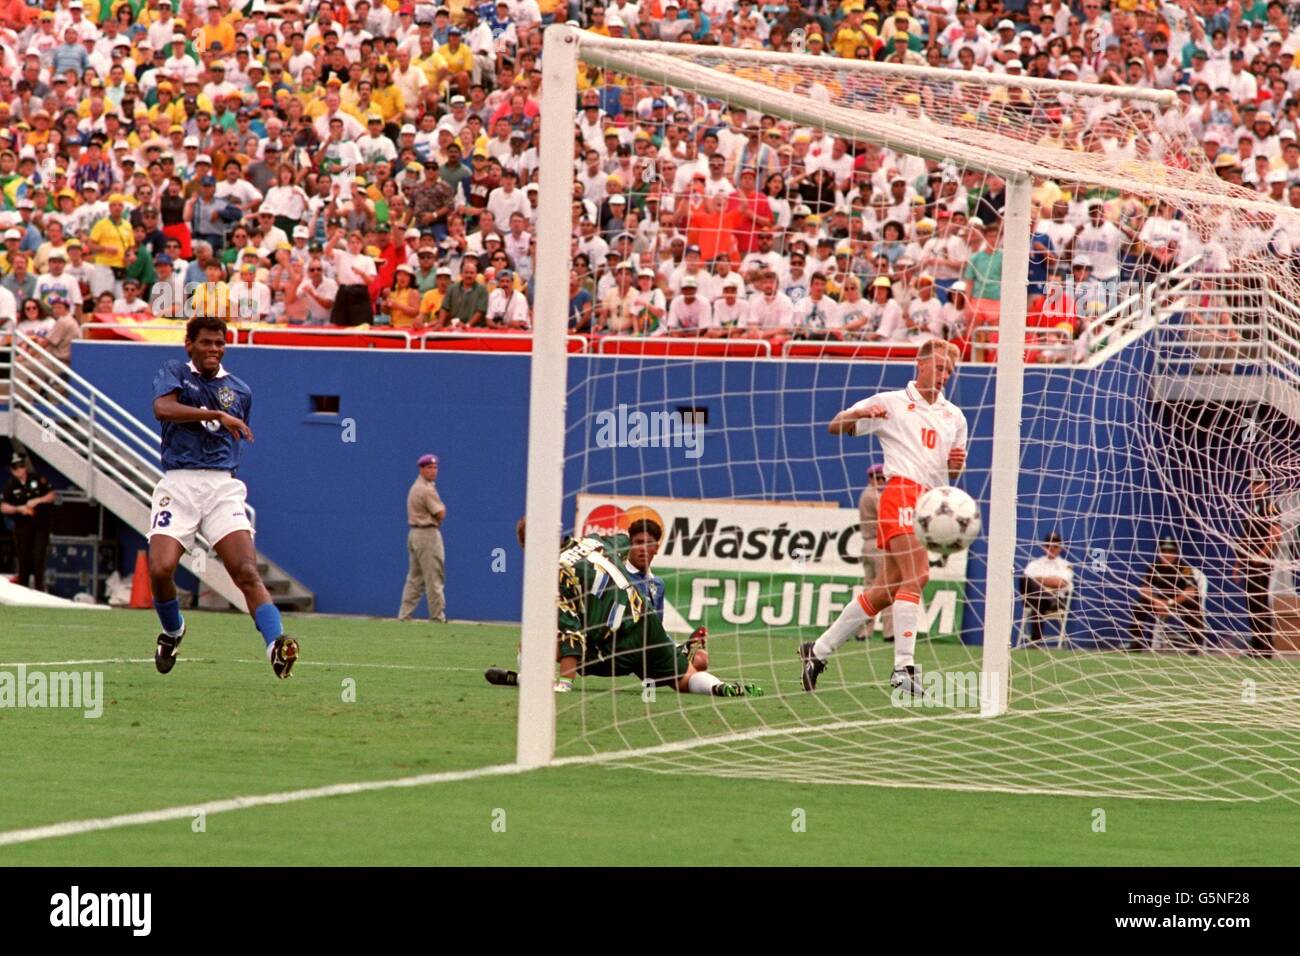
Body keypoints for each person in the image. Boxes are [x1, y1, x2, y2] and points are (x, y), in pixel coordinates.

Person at [800, 339, 967, 695]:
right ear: (920, 365)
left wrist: (956, 467)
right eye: (939, 367)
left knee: (886, 590)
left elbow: (951, 472)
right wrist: (859, 416)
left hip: (933, 503)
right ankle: (903, 668)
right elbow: (835, 425)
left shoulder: (955, 417)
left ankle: (817, 651)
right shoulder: (890, 402)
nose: (944, 375)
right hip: (901, 492)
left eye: (949, 370)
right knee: (918, 575)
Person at [147, 316, 298, 679]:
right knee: (160, 568)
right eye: (206, 343)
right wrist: (215, 413)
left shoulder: (241, 390)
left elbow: (231, 439)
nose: (213, 349)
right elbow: (162, 410)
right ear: (190, 345)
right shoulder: (174, 372)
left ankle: (275, 645)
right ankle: (173, 631)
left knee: (245, 570)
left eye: (219, 343)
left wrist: (220, 419)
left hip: (221, 486)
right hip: (178, 483)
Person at [485, 518, 761, 696]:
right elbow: (624, 539)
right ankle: (719, 687)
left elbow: (571, 634)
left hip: (613, 643)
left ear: (527, 546)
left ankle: (530, 680)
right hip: (646, 623)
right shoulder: (594, 540)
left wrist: (565, 683)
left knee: (530, 645)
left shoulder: (556, 571)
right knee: (686, 677)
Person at [1128, 538, 1205, 653]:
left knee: (1193, 607)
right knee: (1140, 604)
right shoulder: (1154, 567)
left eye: (1171, 552)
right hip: (1159, 602)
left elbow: (1190, 592)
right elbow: (1144, 588)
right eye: (1164, 551)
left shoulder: (1184, 568)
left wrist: (1169, 603)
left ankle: (1194, 645)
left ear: (1176, 553)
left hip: (1178, 602)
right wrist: (1156, 601)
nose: (1167, 555)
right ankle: (1136, 642)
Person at [1236, 469, 1282, 657]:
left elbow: (1275, 535)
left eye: (1258, 483)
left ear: (1267, 485)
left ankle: (1265, 647)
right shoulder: (1252, 507)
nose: (1254, 487)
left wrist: (1260, 555)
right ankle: (1257, 643)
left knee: (1260, 602)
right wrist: (1238, 562)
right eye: (1253, 483)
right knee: (1252, 602)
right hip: (1249, 561)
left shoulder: (1270, 506)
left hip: (1261, 562)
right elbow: (1245, 537)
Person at [398, 453, 447, 623]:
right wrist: (439, 516)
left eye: (435, 467)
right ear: (421, 469)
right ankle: (437, 617)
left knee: (415, 578)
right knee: (434, 577)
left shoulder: (416, 486)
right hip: (427, 534)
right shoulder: (425, 489)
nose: (433, 471)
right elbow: (440, 512)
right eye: (429, 468)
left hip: (414, 534)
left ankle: (404, 615)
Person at [1, 453, 56, 592]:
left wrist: (37, 500)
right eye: (16, 467)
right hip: (22, 527)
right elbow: (3, 506)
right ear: (12, 470)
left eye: (21, 466)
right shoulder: (11, 485)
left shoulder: (37, 479)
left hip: (40, 524)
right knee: (23, 557)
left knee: (38, 557)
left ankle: (39, 589)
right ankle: (23, 590)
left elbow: (52, 495)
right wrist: (19, 509)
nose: (20, 469)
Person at [855, 463, 893, 641]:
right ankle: (890, 632)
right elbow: (886, 514)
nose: (881, 481)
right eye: (878, 478)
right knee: (886, 588)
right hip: (878, 546)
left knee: (869, 588)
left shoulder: (866, 493)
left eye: (883, 478)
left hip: (868, 545)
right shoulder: (874, 495)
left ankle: (864, 631)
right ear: (871, 478)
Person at [1021, 531, 1073, 644]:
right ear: (1044, 546)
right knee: (1027, 584)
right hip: (1034, 598)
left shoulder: (1065, 565)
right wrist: (1048, 582)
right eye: (1048, 545)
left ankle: (1036, 639)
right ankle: (1045, 597)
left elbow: (1061, 583)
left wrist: (1038, 580)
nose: (1052, 548)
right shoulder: (1035, 564)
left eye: (1055, 546)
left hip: (1056, 600)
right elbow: (1025, 580)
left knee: (1036, 599)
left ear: (1060, 547)